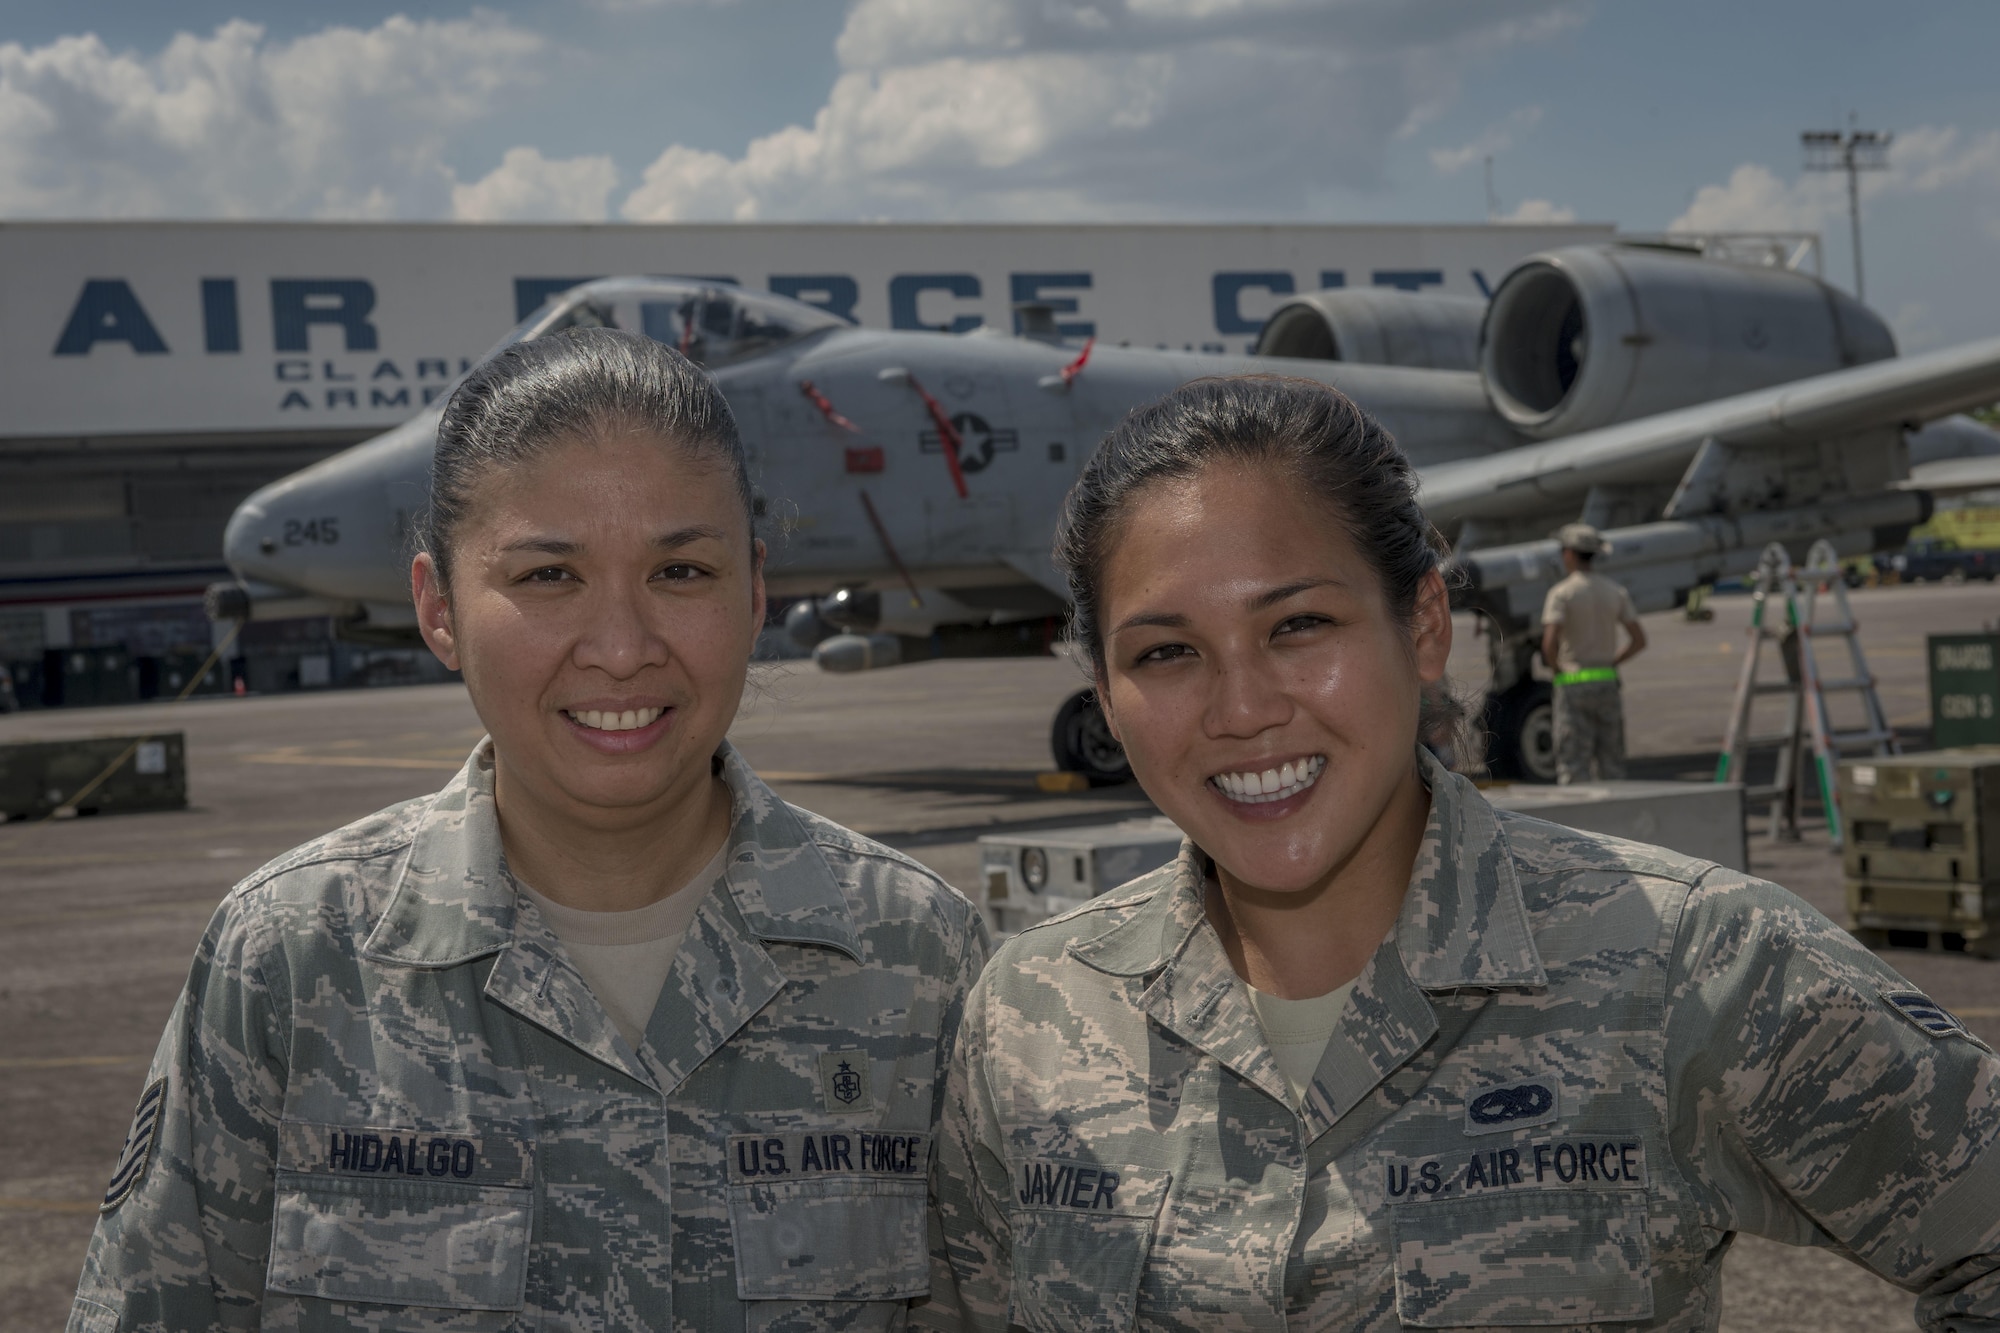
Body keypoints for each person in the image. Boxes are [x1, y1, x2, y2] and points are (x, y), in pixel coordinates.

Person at [925, 376, 2000, 1331]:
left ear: (1424, 624)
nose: (1242, 708)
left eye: (1297, 625)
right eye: (1163, 652)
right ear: (1105, 698)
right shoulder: (1027, 1016)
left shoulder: (1689, 966)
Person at [70, 329, 989, 1331]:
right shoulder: (290, 962)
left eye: (680, 572)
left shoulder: (920, 959)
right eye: (549, 576)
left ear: (755, 591)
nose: (622, 648)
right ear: (439, 608)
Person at [1540, 521, 1647, 784]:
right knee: (1612, 764)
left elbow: (1549, 643)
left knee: (1574, 765)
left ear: (1569, 554)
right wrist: (1612, 662)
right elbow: (1638, 640)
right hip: (1606, 682)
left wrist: (1557, 670)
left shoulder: (1562, 593)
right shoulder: (1614, 591)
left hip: (1573, 683)